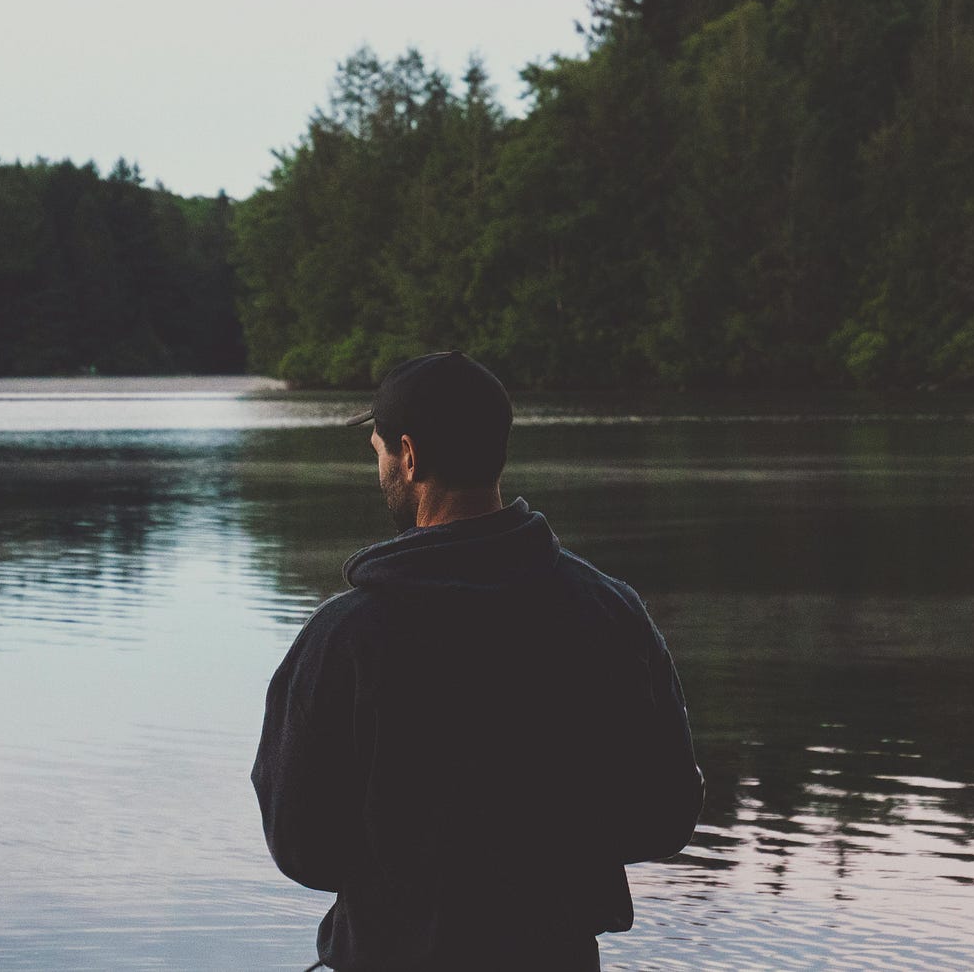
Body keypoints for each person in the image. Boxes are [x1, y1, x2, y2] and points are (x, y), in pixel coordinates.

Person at [252, 351, 704, 971]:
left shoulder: (346, 636)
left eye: (379, 450)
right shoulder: (608, 613)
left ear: (408, 457)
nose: (380, 465)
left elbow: (303, 846)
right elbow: (664, 816)